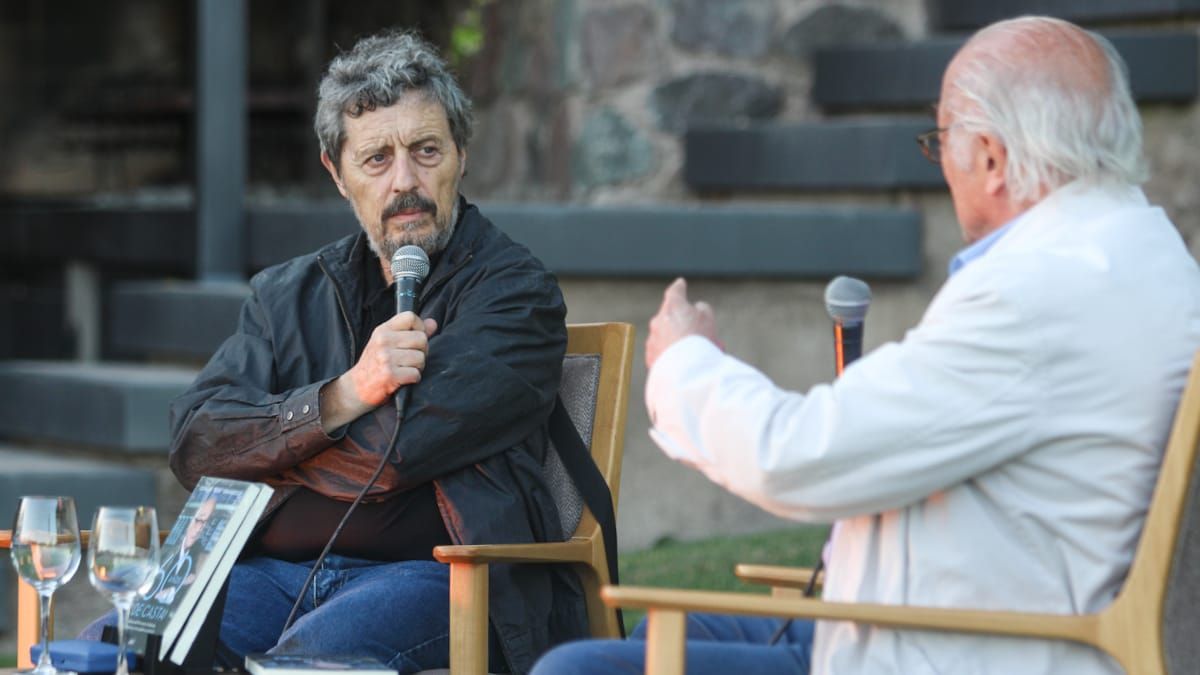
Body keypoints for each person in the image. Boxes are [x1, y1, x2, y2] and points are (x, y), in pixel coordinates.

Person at [532, 15, 1200, 675]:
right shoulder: (1152, 259)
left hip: (954, 645)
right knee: (664, 634)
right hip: (967, 622)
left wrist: (684, 359)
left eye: (943, 142)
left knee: (577, 668)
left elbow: (795, 457)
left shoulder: (1038, 294)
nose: (943, 167)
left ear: (992, 158)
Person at [161, 30, 583, 675]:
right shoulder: (285, 295)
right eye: (377, 159)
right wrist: (341, 396)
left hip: (434, 577)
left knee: (304, 666)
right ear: (337, 172)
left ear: (461, 155)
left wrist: (263, 459)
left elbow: (398, 450)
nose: (406, 182)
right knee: (124, 644)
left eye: (426, 150)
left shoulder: (514, 293)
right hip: (269, 573)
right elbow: (195, 442)